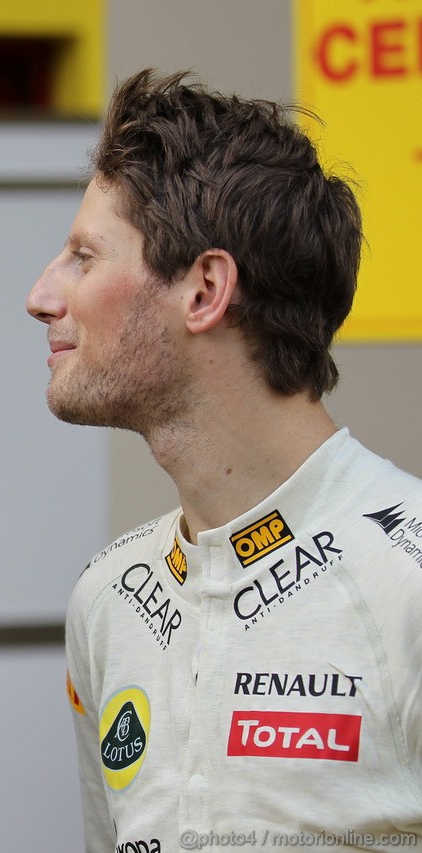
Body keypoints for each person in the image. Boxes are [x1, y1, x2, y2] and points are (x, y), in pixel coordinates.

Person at [27, 69, 422, 851]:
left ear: (205, 288)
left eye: (82, 256)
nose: (42, 294)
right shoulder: (110, 600)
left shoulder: (406, 579)